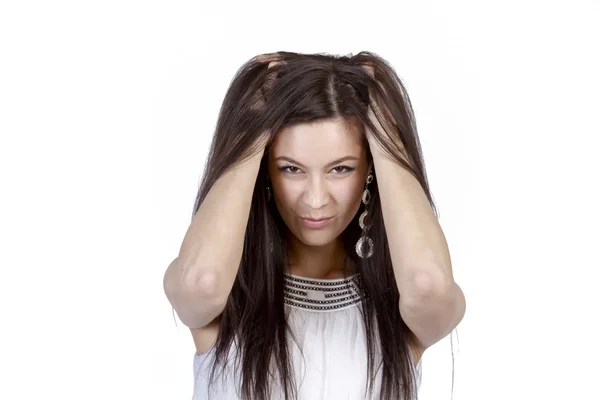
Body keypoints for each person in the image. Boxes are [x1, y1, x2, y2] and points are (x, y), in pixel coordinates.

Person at [163, 51, 466, 400]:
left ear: (370, 171)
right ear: (264, 171)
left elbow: (428, 286)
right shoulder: (229, 297)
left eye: (341, 169)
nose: (316, 199)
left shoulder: (398, 307)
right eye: (291, 168)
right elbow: (203, 284)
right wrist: (252, 134)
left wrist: (385, 137)